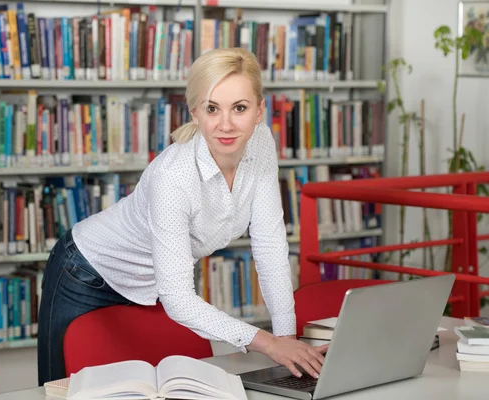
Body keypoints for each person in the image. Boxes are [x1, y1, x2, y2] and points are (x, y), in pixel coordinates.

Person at [37, 47, 328, 386]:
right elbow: (178, 299)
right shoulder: (173, 176)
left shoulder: (261, 143)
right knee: (56, 389)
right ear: (195, 112)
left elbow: (270, 247)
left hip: (152, 284)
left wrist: (287, 340)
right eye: (212, 108)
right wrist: (268, 344)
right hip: (83, 271)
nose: (226, 124)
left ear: (260, 111)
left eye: (240, 108)